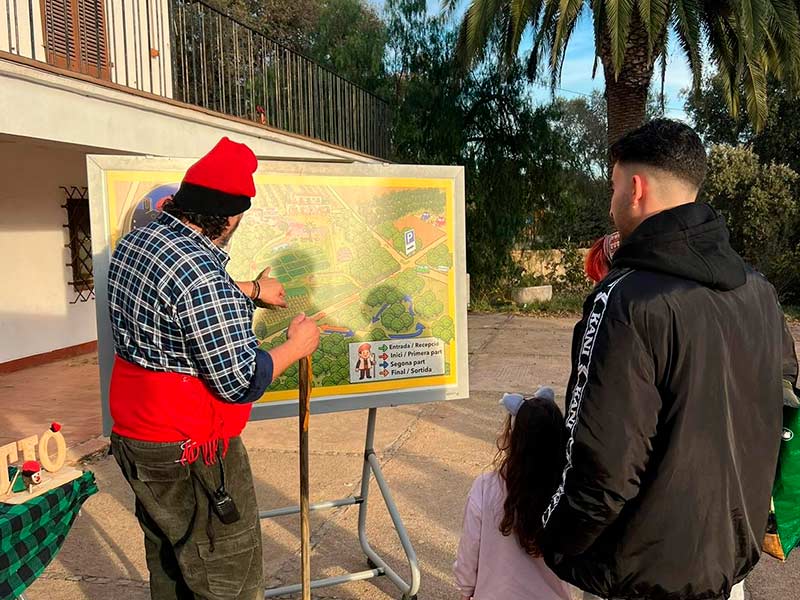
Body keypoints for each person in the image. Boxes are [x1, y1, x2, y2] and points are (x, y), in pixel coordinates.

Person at [539, 119, 798, 600]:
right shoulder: (760, 292)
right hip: (729, 565)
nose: (612, 201)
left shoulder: (623, 301)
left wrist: (553, 538)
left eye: (613, 186)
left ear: (635, 189)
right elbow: (782, 412)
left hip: (647, 575)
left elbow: (602, 469)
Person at [107, 137, 320, 600]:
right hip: (190, 450)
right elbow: (240, 379)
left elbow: (176, 299)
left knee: (170, 559)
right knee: (229, 571)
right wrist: (296, 347)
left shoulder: (137, 242)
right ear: (228, 218)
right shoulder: (204, 275)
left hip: (134, 440)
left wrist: (248, 289)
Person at [453, 388, 572, 600]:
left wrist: (465, 589)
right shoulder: (567, 492)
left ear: (513, 438)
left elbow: (469, 550)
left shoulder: (485, 487)